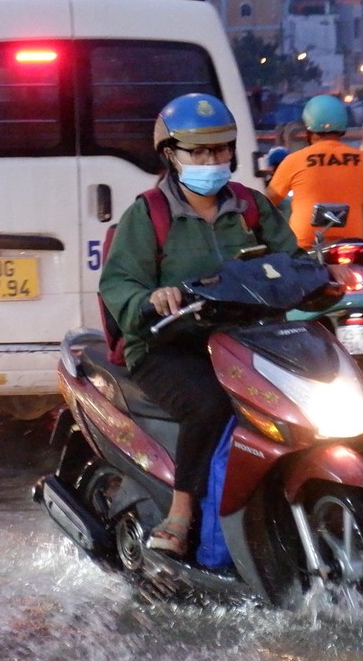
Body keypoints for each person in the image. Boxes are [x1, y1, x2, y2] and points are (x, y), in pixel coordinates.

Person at [98, 93, 300, 558]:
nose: (214, 160)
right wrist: (151, 298)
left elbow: (289, 258)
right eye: (200, 152)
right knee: (210, 404)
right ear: (171, 155)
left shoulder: (251, 207)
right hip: (169, 344)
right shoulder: (148, 214)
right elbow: (119, 282)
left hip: (245, 339)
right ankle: (182, 513)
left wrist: (321, 275)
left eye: (221, 149)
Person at [266, 94, 363, 250]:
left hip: (305, 245)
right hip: (351, 243)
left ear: (309, 128)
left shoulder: (294, 160)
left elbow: (267, 203)